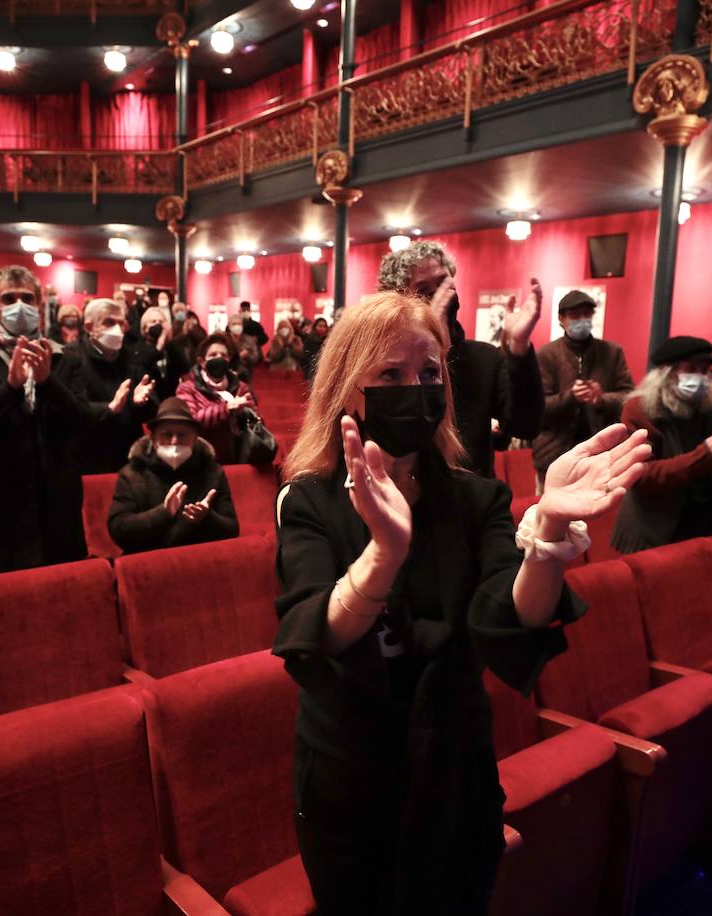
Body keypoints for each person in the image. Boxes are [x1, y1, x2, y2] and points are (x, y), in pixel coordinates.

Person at [273, 290, 651, 914]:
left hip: (455, 766)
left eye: (428, 373)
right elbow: (318, 634)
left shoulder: (476, 499)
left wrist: (548, 530)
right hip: (354, 772)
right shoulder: (310, 499)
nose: (415, 388)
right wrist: (384, 554)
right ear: (347, 388)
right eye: (389, 375)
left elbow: (513, 614)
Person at [0, 265, 99, 573]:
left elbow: (84, 422)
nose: (19, 305)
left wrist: (48, 383)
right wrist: (10, 388)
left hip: (57, 502)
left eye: (27, 298)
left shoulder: (66, 358)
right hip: (2, 502)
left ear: (39, 306)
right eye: (9, 299)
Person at [378, 241, 544, 478]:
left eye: (443, 282)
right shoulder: (386, 362)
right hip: (408, 499)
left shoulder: (485, 357)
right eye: (424, 290)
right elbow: (405, 433)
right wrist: (431, 346)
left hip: (475, 503)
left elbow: (526, 426)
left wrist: (519, 347)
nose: (441, 295)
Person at [610, 335, 712, 553]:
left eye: (703, 371)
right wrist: (705, 454)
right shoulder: (639, 409)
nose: (699, 377)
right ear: (667, 372)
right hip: (654, 529)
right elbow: (642, 476)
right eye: (691, 369)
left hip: (705, 522)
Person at [106, 397, 239, 555]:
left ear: (195, 439)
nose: (174, 441)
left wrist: (207, 518)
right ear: (153, 439)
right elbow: (118, 529)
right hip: (148, 565)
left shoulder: (213, 473)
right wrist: (163, 512)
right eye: (167, 434)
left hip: (200, 562)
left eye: (182, 435)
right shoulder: (132, 474)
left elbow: (232, 529)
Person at [531, 289, 633, 490]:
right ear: (562, 319)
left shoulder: (612, 352)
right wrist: (571, 398)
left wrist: (601, 399)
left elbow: (629, 397)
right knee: (552, 515)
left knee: (598, 516)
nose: (582, 320)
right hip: (553, 455)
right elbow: (537, 408)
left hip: (601, 455)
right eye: (575, 315)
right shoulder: (545, 355)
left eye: (587, 314)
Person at [67, 297, 158, 474]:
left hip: (128, 458)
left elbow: (150, 411)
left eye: (120, 323)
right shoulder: (71, 358)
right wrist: (108, 408)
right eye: (108, 322)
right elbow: (69, 409)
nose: (116, 330)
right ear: (89, 327)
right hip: (87, 457)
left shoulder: (133, 358)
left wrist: (143, 403)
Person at [175, 332, 259, 465]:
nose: (219, 358)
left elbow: (256, 422)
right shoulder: (187, 388)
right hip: (200, 460)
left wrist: (244, 412)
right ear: (202, 362)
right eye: (213, 355)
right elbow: (191, 421)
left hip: (236, 457)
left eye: (224, 355)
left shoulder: (240, 387)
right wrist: (226, 408)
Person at [126, 305, 189, 399]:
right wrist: (159, 346)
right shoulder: (136, 349)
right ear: (145, 327)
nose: (158, 324)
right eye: (153, 321)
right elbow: (143, 364)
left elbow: (185, 367)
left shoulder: (171, 348)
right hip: (148, 400)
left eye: (161, 321)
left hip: (170, 400)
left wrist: (169, 340)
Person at [302, 316, 329, 381]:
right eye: (320, 326)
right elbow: (306, 356)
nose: (322, 328)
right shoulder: (309, 340)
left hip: (326, 371)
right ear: (315, 327)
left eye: (324, 326)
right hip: (312, 370)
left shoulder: (328, 340)